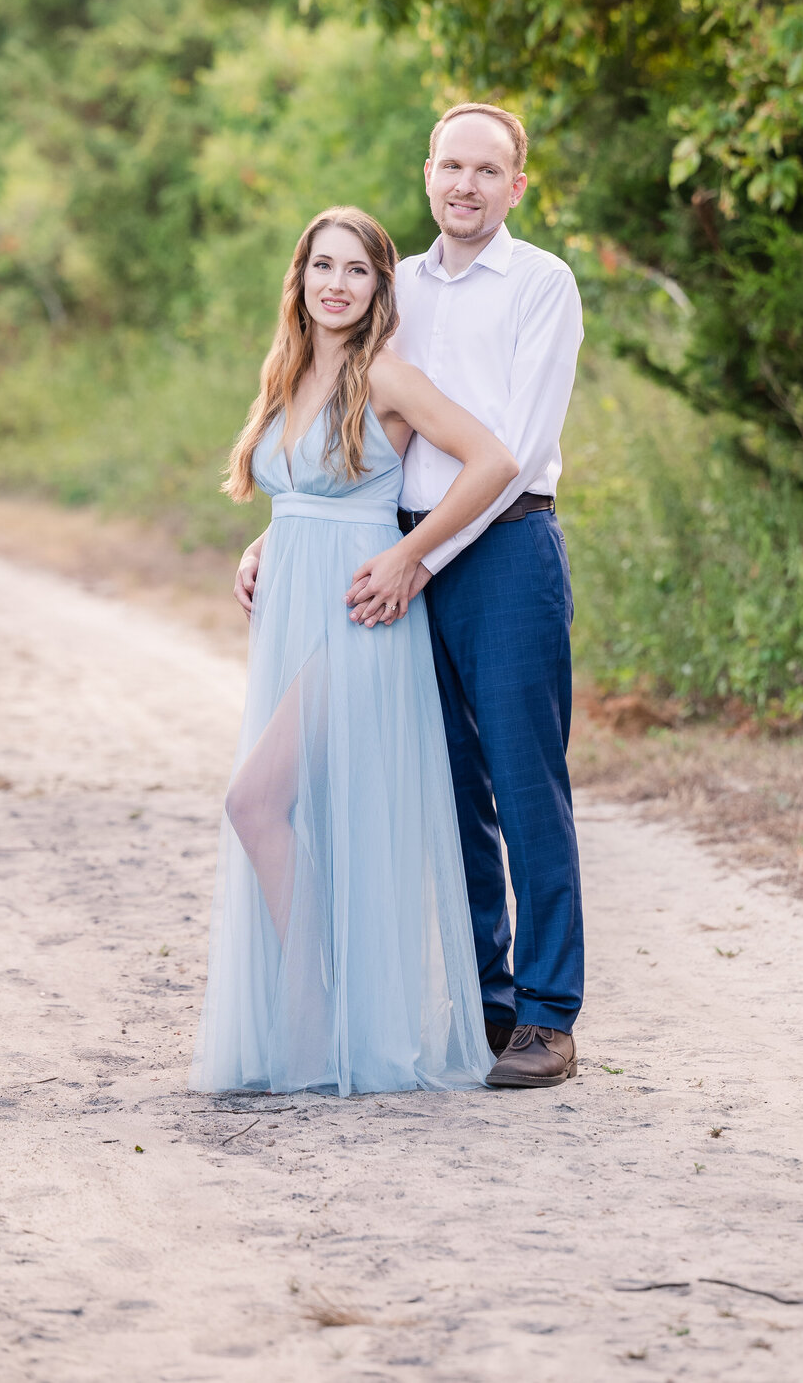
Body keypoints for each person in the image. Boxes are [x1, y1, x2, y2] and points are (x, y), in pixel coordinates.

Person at [237, 104, 586, 1088]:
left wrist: (419, 558)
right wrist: (286, 530)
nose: (466, 184)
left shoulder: (542, 284)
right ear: (428, 172)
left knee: (525, 781)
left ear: (517, 185)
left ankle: (551, 1013)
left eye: (488, 169)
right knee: (447, 785)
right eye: (450, 165)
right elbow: (349, 436)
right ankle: (489, 996)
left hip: (501, 548)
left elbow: (508, 454)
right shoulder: (399, 289)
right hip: (394, 550)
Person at [195, 205, 518, 1097]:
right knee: (300, 816)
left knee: (255, 803)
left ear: (381, 288)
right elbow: (298, 494)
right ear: (298, 277)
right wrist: (260, 545)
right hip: (291, 612)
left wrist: (413, 555)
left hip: (357, 620)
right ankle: (317, 1017)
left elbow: (494, 460)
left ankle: (314, 1016)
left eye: (357, 271)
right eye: (321, 266)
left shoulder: (387, 378)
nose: (335, 284)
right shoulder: (286, 374)